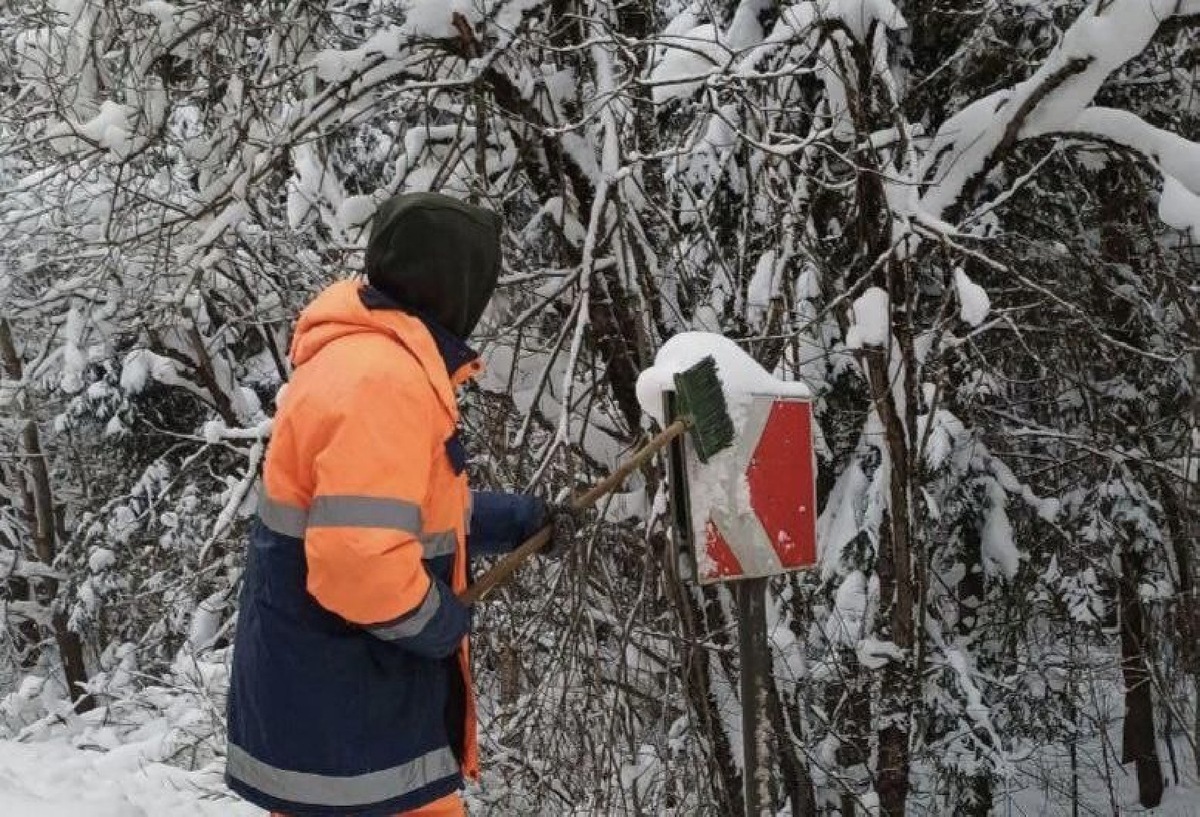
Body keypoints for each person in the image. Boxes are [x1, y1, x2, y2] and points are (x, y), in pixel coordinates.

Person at [225, 192, 574, 816]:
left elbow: (392, 518)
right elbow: (360, 565)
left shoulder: (363, 360)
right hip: (352, 726)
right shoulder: (382, 381)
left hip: (331, 716)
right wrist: (440, 623)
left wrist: (520, 520)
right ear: (456, 286)